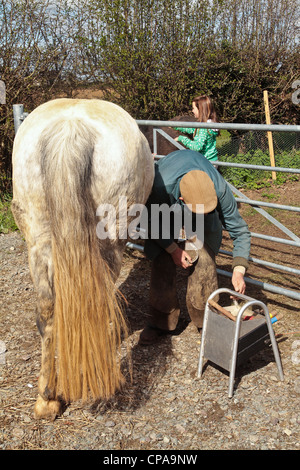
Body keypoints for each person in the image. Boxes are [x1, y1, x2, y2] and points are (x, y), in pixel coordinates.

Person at [139, 149, 251, 346]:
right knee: (162, 262)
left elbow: (240, 230)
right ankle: (161, 320)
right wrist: (173, 249)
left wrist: (239, 271)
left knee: (205, 262)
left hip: (200, 219)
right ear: (182, 199)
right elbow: (149, 222)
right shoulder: (158, 187)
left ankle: (205, 319)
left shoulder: (220, 188)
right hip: (165, 213)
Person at [173, 95, 219, 162]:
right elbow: (193, 130)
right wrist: (177, 127)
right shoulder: (210, 124)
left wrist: (181, 138)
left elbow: (197, 147)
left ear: (200, 110)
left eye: (193, 108)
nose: (192, 111)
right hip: (213, 159)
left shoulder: (203, 128)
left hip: (205, 162)